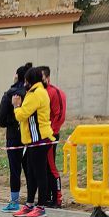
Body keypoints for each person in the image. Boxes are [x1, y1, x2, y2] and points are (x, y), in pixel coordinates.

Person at [12, 66, 54, 217]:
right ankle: (30, 203)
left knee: (39, 174)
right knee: (31, 173)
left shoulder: (35, 93)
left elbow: (22, 115)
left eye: (25, 81)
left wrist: (16, 105)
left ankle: (41, 206)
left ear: (29, 81)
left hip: (39, 139)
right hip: (32, 141)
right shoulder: (37, 91)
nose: (24, 84)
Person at [0, 63, 30, 213]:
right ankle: (31, 201)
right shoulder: (32, 93)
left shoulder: (10, 94)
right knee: (30, 169)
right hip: (30, 136)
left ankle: (15, 201)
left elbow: (0, 120)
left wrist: (12, 120)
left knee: (15, 169)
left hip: (14, 136)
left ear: (17, 75)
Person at [39, 66, 66, 207]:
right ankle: (48, 196)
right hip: (39, 136)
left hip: (50, 135)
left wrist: (51, 134)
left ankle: (58, 198)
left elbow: (59, 115)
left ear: (47, 77)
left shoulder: (55, 92)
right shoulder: (38, 92)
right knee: (42, 167)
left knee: (51, 166)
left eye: (41, 77)